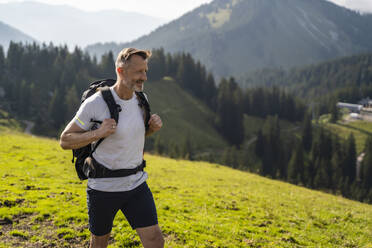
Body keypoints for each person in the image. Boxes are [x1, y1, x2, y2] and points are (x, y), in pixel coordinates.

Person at [59, 48, 164, 248]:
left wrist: (150, 129)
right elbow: (65, 140)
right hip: (103, 188)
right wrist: (98, 133)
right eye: (139, 72)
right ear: (121, 71)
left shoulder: (142, 100)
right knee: (99, 244)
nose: (144, 77)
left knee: (155, 240)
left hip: (136, 185)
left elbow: (131, 137)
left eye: (145, 71)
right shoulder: (96, 103)